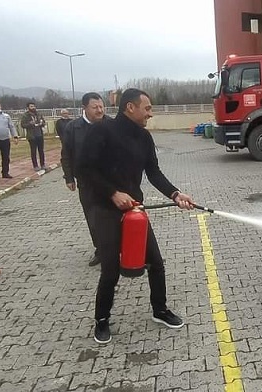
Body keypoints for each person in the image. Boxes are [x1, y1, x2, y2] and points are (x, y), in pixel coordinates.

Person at [78, 88, 194, 344]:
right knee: (110, 268)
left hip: (134, 209)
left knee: (155, 262)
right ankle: (102, 320)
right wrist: (112, 193)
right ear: (130, 107)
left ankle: (160, 310)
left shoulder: (143, 137)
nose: (150, 114)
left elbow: (153, 172)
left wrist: (176, 194)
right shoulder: (101, 131)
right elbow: (83, 169)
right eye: (148, 108)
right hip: (104, 207)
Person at [61, 92, 107, 267]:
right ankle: (101, 250)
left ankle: (117, 249)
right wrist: (69, 177)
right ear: (85, 108)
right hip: (86, 182)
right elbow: (66, 154)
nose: (99, 110)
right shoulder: (73, 128)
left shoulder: (110, 124)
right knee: (92, 217)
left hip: (110, 181)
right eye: (95, 107)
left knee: (112, 217)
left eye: (101, 106)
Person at [20, 102, 46, 170]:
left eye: (34, 106)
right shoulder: (25, 115)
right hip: (32, 136)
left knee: (41, 151)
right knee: (33, 151)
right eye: (31, 106)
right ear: (28, 108)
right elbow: (23, 125)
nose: (33, 107)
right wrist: (30, 124)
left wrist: (42, 123)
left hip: (39, 134)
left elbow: (43, 122)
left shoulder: (38, 113)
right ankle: (35, 166)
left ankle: (43, 164)